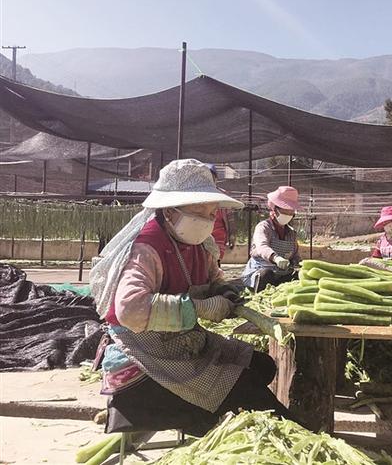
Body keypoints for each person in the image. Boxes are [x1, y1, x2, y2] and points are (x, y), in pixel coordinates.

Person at [89, 159, 295, 436]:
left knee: (262, 365)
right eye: (198, 209)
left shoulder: (201, 246)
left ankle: (215, 423)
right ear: (170, 211)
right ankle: (290, 436)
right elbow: (130, 309)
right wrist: (201, 308)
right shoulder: (147, 249)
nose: (207, 218)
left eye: (211, 212)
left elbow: (215, 282)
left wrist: (227, 294)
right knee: (245, 387)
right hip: (144, 354)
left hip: (183, 343)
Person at [242, 186, 301, 291]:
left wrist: (298, 263)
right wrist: (275, 258)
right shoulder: (263, 227)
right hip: (259, 273)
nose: (288, 215)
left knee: (298, 276)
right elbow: (262, 246)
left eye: (290, 212)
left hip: (281, 275)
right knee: (266, 274)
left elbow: (295, 255)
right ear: (274, 209)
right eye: (285, 211)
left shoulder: (291, 233)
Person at [206, 164, 234, 262]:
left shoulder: (222, 195)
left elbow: (230, 217)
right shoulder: (196, 195)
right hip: (200, 233)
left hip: (218, 235)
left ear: (216, 178)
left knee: (215, 260)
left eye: (211, 176)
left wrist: (232, 235)